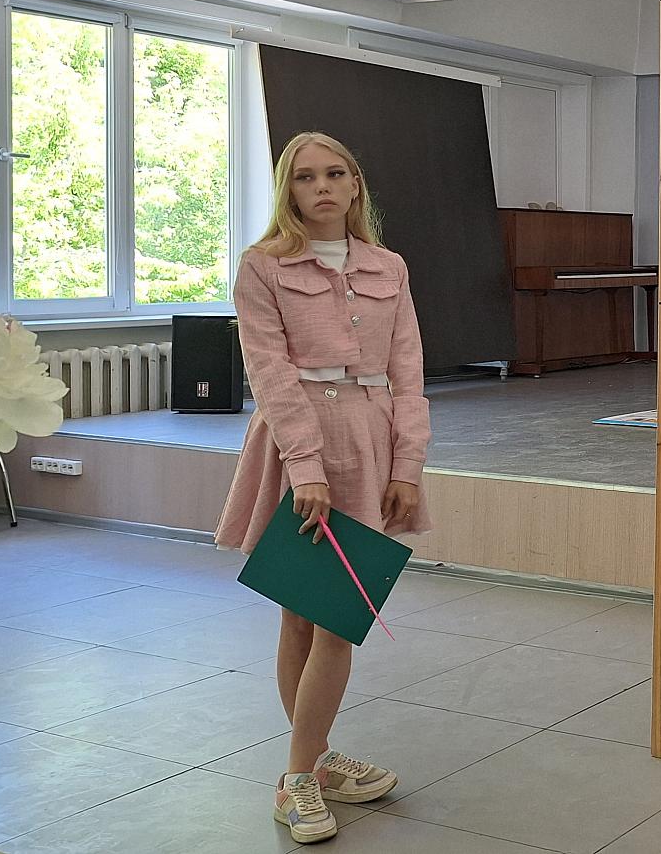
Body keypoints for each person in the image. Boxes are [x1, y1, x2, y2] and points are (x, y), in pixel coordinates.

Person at [215, 131, 433, 844]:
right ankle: (302, 778)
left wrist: (408, 465)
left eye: (336, 173)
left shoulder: (389, 266)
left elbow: (409, 371)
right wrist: (305, 465)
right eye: (306, 177)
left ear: (355, 184)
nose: (323, 187)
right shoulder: (262, 266)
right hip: (295, 441)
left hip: (369, 441)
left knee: (337, 618)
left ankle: (311, 764)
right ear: (289, 190)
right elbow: (269, 371)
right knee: (304, 616)